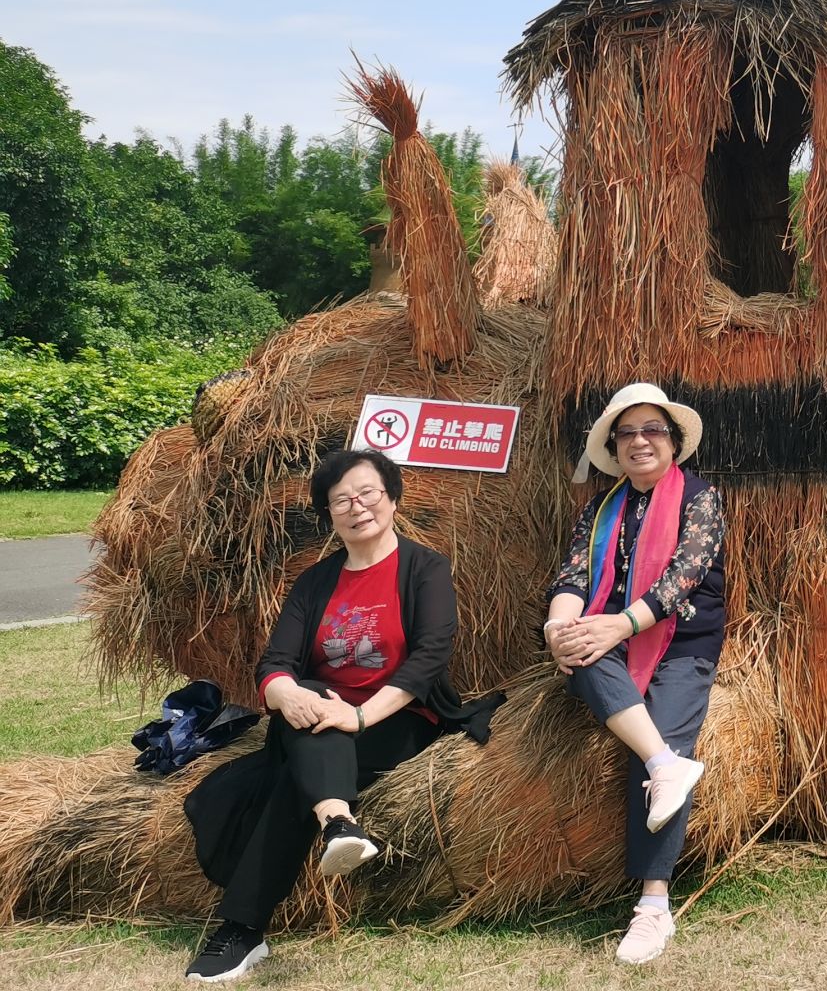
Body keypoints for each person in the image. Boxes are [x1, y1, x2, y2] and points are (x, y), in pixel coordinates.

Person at [183, 448, 495, 983]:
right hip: (318, 716)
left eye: (367, 493)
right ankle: (338, 823)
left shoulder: (425, 568)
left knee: (295, 776)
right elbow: (275, 663)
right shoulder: (315, 581)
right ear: (329, 514)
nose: (356, 507)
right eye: (340, 500)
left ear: (392, 499)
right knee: (308, 701)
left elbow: (429, 658)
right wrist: (284, 694)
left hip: (396, 718)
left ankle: (242, 929)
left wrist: (361, 717)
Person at [545, 382, 726, 966]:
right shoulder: (600, 510)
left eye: (652, 430)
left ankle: (653, 906)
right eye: (627, 433)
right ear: (614, 447)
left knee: (664, 729)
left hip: (682, 644)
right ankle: (664, 764)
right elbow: (574, 577)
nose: (640, 441)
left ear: (673, 441)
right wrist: (559, 628)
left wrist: (618, 626)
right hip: (611, 638)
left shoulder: (700, 498)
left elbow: (682, 579)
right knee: (582, 654)